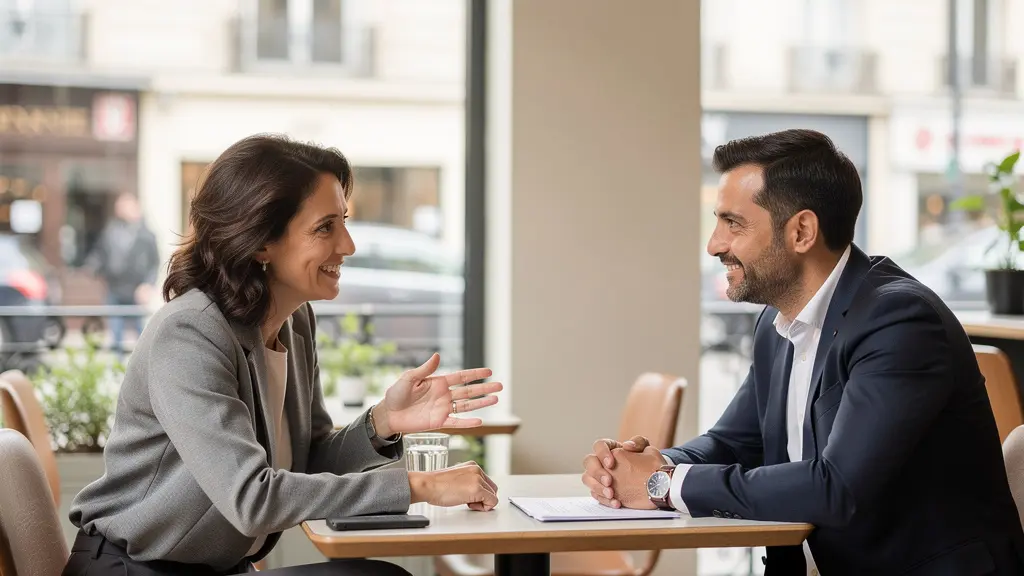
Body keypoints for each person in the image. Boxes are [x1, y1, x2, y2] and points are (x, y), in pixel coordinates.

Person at [582, 129, 1024, 575]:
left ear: (802, 231)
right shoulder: (778, 324)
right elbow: (735, 442)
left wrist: (664, 485)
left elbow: (839, 487)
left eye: (732, 223)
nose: (714, 244)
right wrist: (654, 466)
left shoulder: (899, 321)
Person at [64, 134, 503, 576]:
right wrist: (420, 485)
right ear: (261, 242)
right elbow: (252, 499)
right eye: (325, 227)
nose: (348, 245)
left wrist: (381, 422)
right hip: (131, 570)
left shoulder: (293, 322)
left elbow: (309, 462)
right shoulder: (189, 332)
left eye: (344, 221)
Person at [82, 192, 160, 353]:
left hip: (135, 290)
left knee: (140, 334)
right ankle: (117, 369)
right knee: (116, 333)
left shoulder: (147, 235)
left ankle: (142, 368)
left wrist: (148, 285)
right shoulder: (111, 231)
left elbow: (154, 263)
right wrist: (92, 266)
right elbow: (101, 253)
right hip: (114, 288)